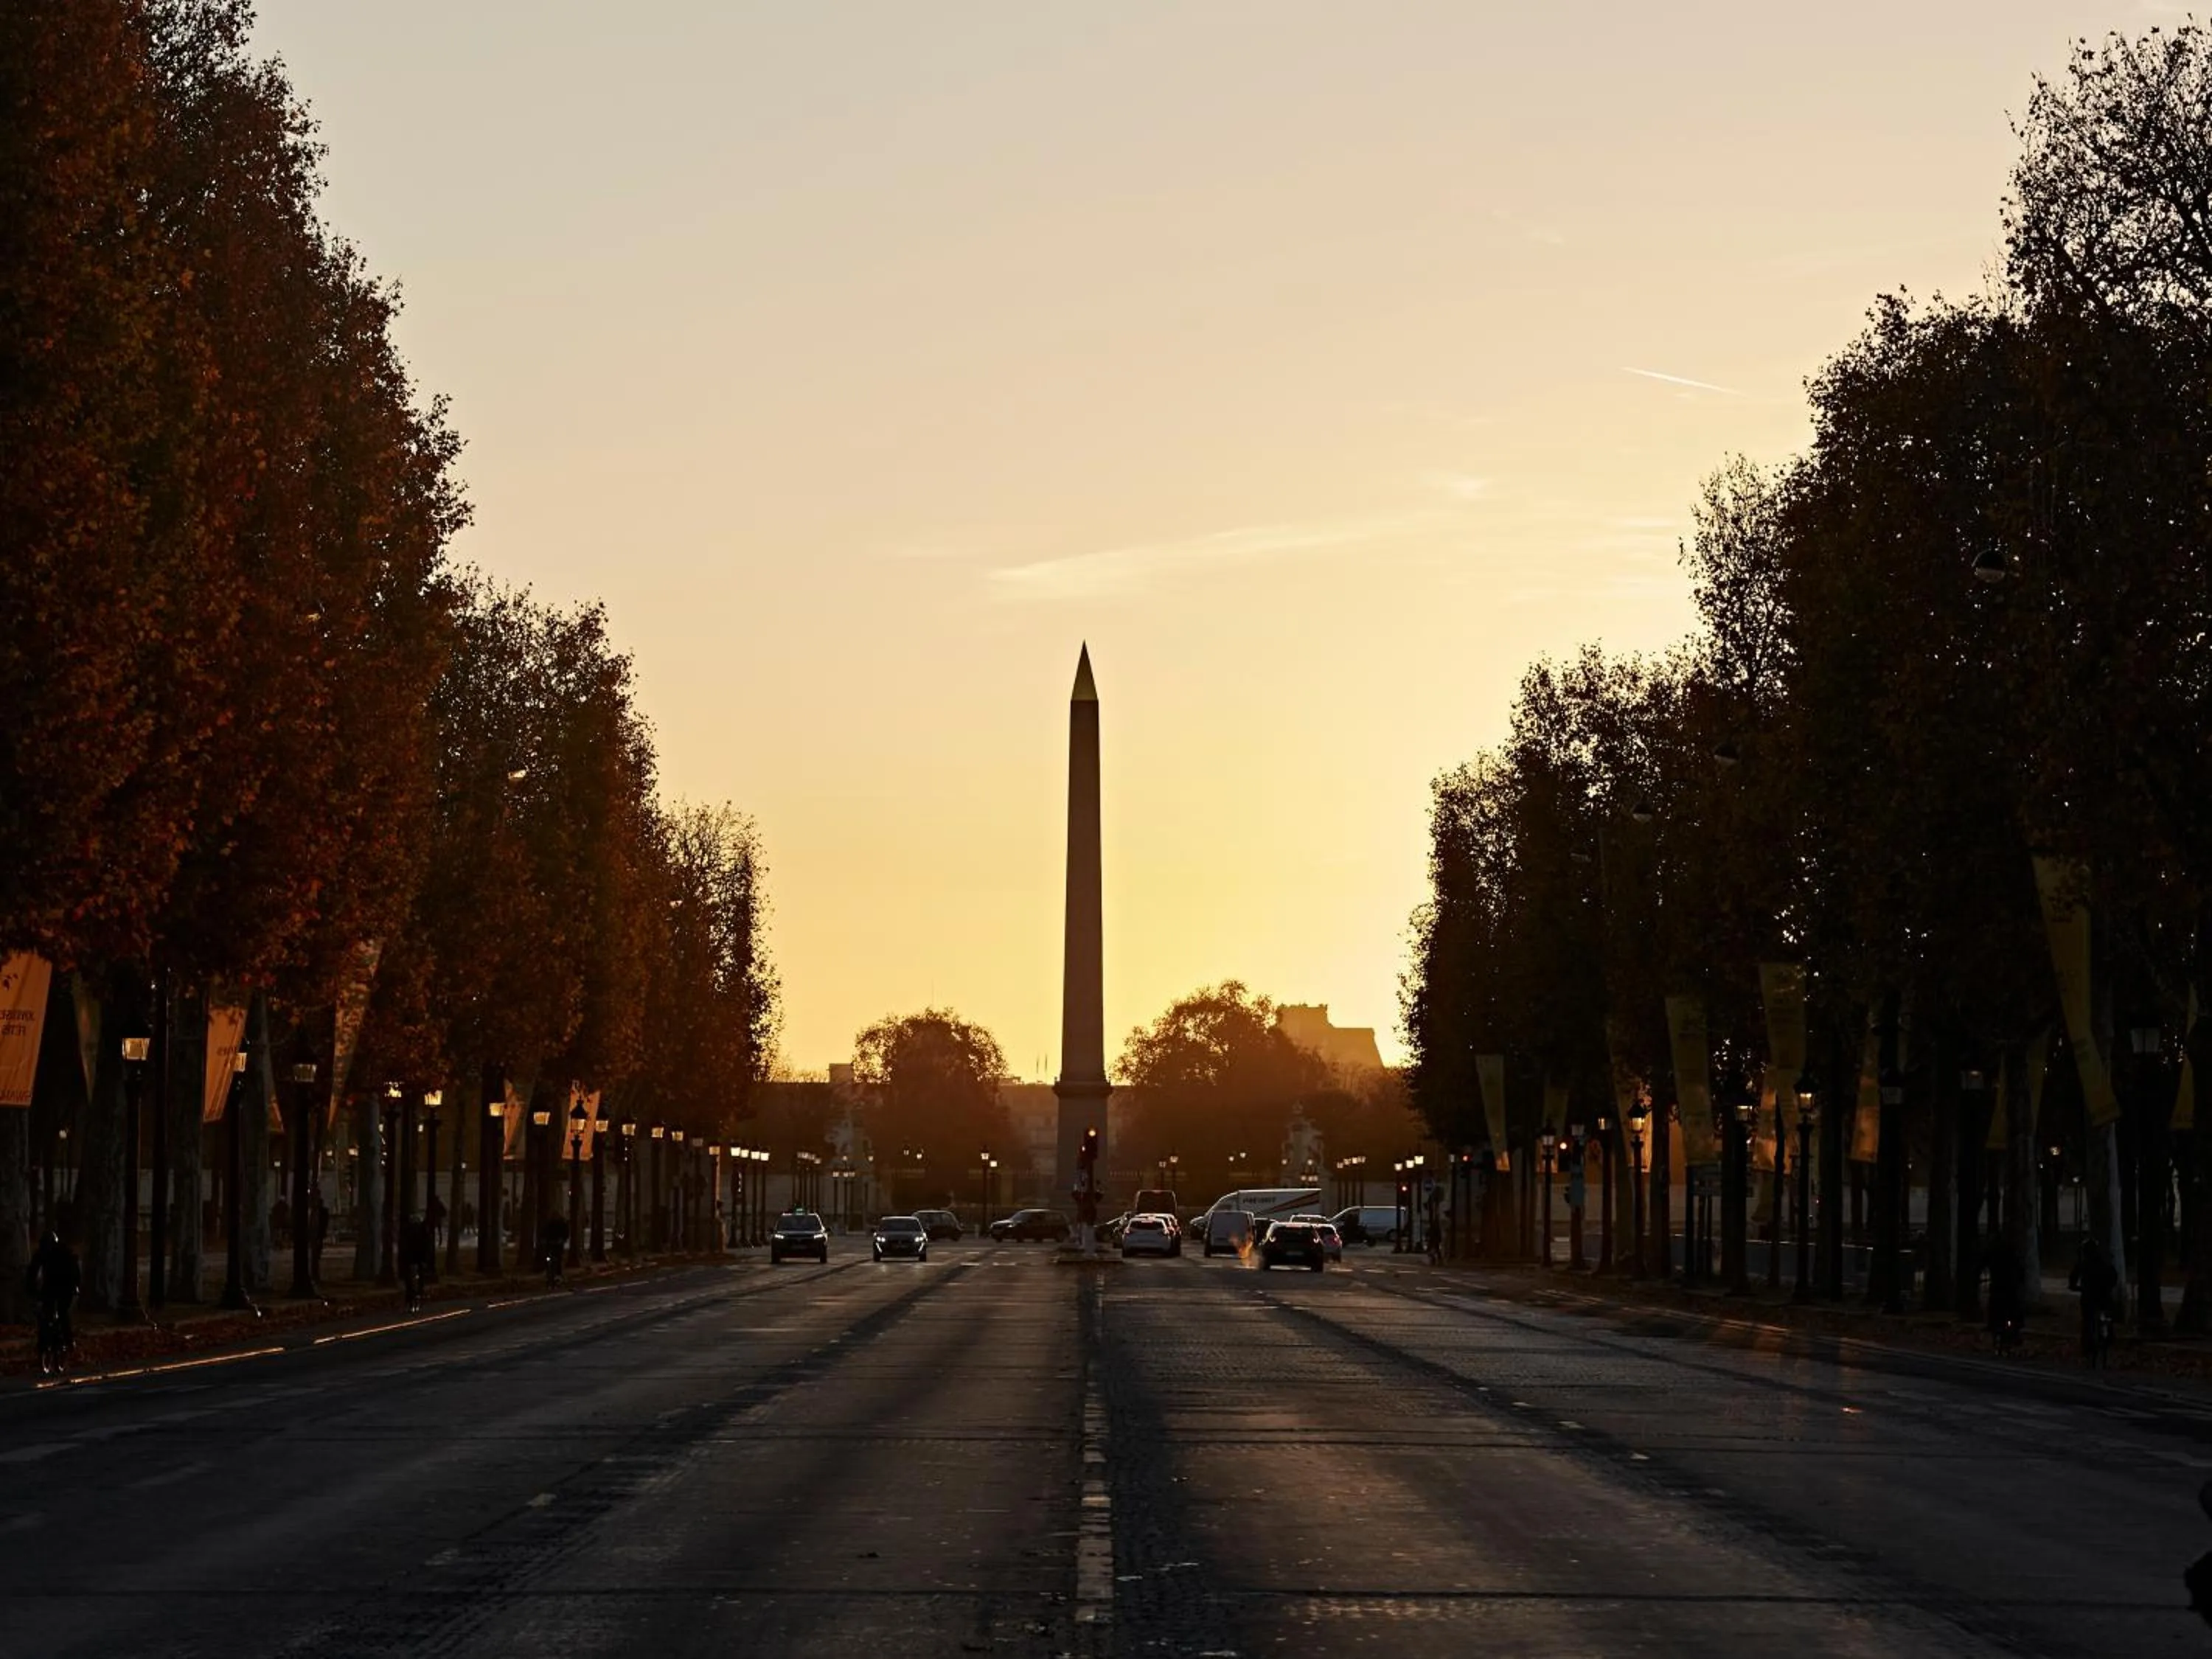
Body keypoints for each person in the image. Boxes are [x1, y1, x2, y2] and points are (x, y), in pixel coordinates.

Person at [26, 1209, 81, 1377]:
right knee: (45, 1317)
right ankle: (47, 1346)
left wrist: (74, 1287)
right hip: (51, 1288)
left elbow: (74, 1272)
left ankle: (68, 1341)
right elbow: (32, 1273)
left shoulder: (63, 1253)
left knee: (62, 1314)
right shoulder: (44, 1253)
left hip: (64, 1288)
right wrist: (32, 1291)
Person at [2068, 1236, 2121, 1368]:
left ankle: (2088, 1346)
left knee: (2088, 1321)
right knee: (2106, 1316)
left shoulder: (2083, 1263)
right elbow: (2114, 1276)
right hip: (2104, 1297)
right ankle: (2109, 1337)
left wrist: (2075, 1287)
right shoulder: (2104, 1261)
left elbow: (2073, 1278)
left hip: (2090, 1298)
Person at [1983, 1231, 2024, 1355]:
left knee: (1997, 1312)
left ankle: (1998, 1333)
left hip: (1999, 1287)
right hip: (2010, 1288)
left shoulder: (1992, 1252)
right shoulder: (2012, 1252)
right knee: (2013, 1311)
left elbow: (1982, 1264)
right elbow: (2021, 1270)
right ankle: (2013, 1335)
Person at [397, 1211, 434, 1313]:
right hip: (419, 1258)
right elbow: (427, 1245)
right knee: (420, 1278)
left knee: (410, 1279)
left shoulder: (407, 1231)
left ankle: (410, 1297)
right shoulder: (423, 1231)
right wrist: (426, 1259)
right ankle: (419, 1294)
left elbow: (404, 1246)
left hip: (410, 1258)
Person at [541, 1213, 571, 1287]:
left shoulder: (562, 1224)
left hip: (558, 1244)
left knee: (558, 1259)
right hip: (550, 1244)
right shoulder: (549, 1224)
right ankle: (549, 1273)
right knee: (548, 1258)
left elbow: (566, 1233)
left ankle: (558, 1274)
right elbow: (544, 1232)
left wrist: (562, 1240)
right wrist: (544, 1240)